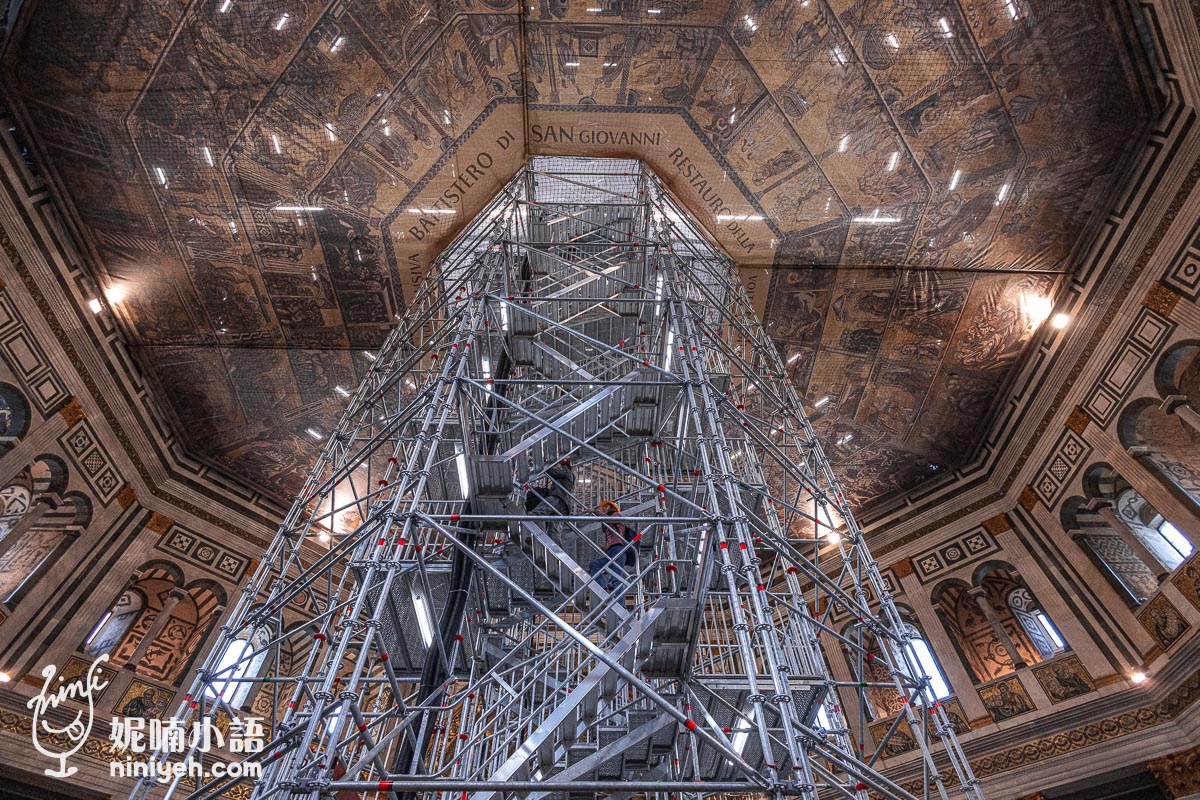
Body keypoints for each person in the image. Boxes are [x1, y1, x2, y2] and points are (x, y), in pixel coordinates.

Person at [588, 500, 628, 591]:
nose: (603, 509)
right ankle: (603, 588)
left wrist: (595, 511)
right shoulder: (608, 526)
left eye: (606, 507)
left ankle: (621, 605)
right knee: (594, 565)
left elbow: (610, 520)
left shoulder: (616, 515)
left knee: (616, 579)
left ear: (612, 508)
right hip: (611, 551)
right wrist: (604, 548)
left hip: (618, 550)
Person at [528, 459, 575, 535]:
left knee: (537, 513)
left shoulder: (565, 471)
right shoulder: (568, 475)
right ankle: (554, 545)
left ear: (562, 465)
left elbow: (550, 471)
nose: (555, 466)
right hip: (565, 505)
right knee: (553, 531)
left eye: (556, 464)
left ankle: (539, 536)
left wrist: (533, 460)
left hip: (558, 498)